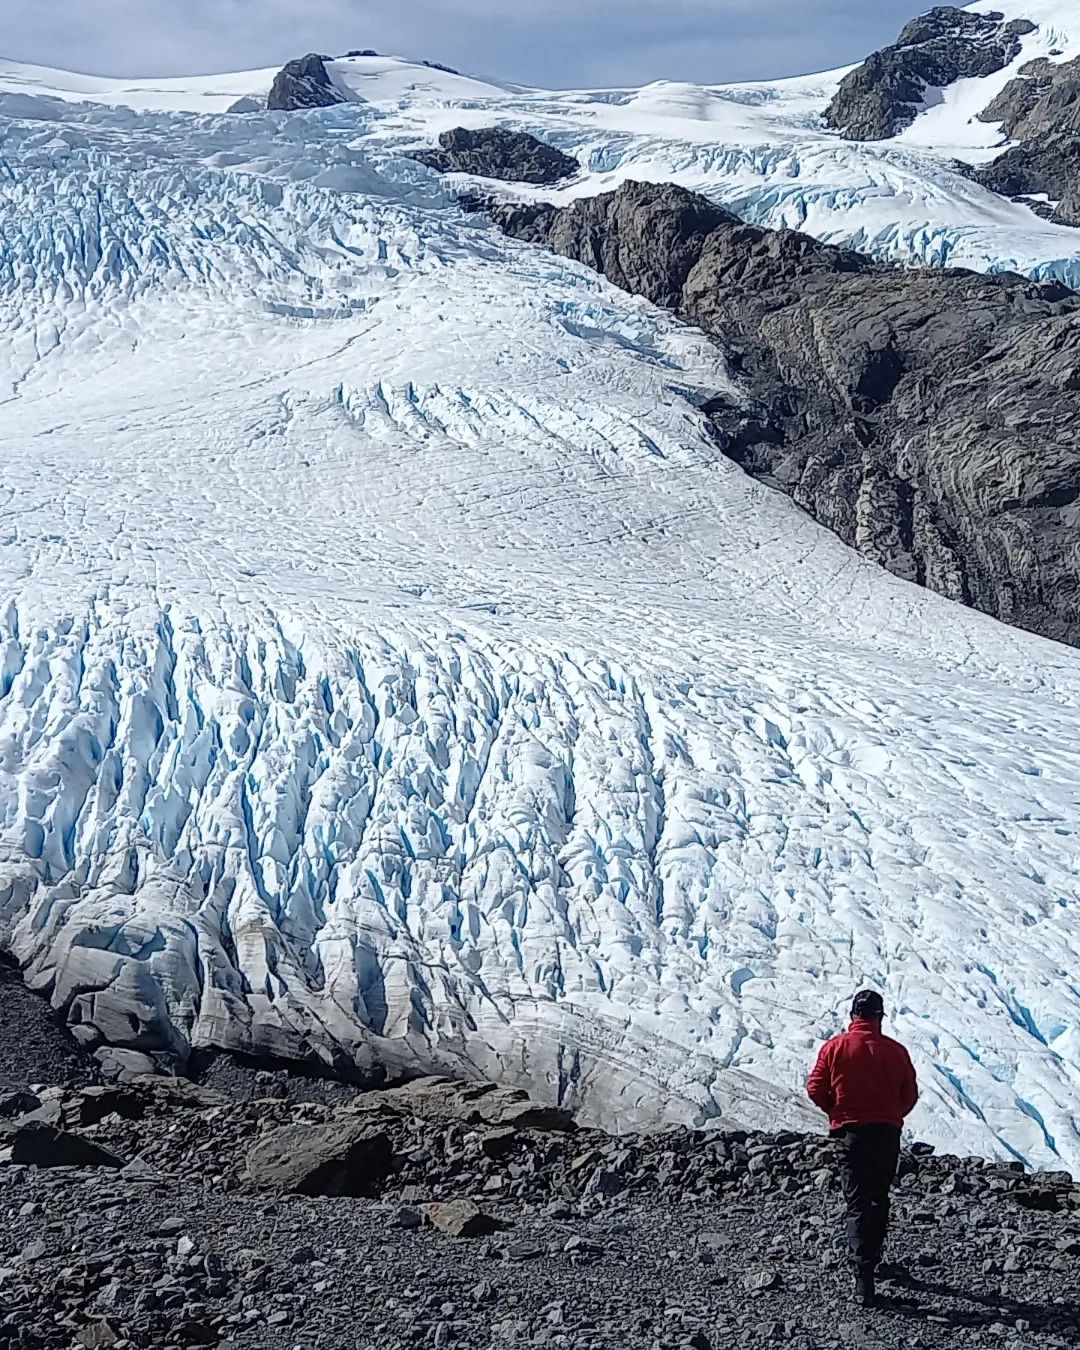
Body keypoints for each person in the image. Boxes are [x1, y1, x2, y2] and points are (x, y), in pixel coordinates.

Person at [806, 989, 919, 1308]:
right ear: (879, 1017)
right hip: (886, 1133)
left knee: (856, 1201)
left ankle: (863, 1278)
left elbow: (815, 1087)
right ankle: (874, 1257)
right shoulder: (896, 1052)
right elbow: (909, 1094)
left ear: (853, 1015)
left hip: (849, 1133)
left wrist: (835, 1111)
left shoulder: (835, 1047)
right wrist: (891, 1115)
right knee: (878, 1197)